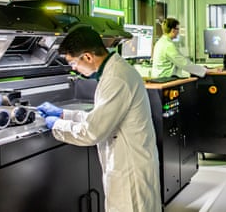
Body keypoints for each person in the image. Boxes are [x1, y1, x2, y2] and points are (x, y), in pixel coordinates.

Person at [37, 25, 162, 212]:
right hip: (131, 163)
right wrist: (64, 114)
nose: (75, 69)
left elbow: (93, 131)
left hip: (130, 171)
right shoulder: (114, 72)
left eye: (73, 64)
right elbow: (100, 117)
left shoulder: (115, 79)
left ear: (87, 56)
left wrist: (57, 125)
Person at [152, 17, 218, 78]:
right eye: (178, 29)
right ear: (173, 30)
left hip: (161, 78)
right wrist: (207, 70)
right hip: (165, 80)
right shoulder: (168, 45)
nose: (178, 32)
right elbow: (185, 64)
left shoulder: (160, 42)